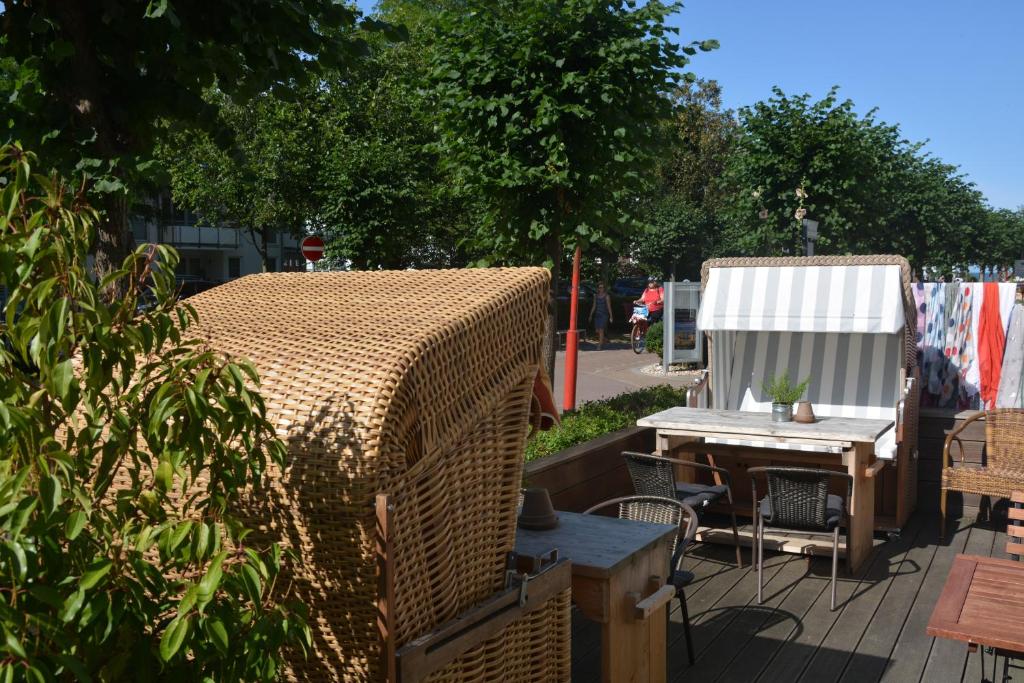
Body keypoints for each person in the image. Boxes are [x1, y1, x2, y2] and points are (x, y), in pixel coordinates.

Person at [588, 282, 614, 349]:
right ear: (598, 288)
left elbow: (609, 306)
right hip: (597, 314)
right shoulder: (595, 296)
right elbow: (594, 306)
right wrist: (590, 315)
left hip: (604, 315)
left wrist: (611, 316)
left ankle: (599, 345)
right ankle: (604, 339)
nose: (601, 289)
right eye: (600, 287)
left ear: (604, 288)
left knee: (601, 329)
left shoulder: (607, 296)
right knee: (597, 330)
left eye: (602, 287)